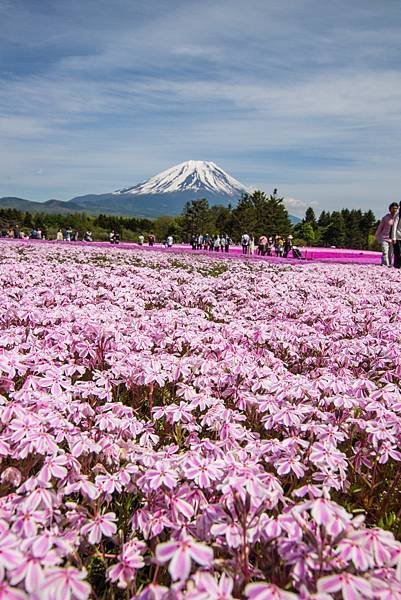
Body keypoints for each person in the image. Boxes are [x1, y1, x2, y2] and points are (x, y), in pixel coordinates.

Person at [377, 202, 398, 267]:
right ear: (390, 209)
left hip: (393, 239)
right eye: (393, 208)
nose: (394, 210)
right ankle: (385, 265)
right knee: (385, 252)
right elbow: (380, 228)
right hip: (384, 238)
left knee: (390, 254)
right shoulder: (385, 218)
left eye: (396, 208)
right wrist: (378, 237)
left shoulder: (398, 218)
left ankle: (389, 265)